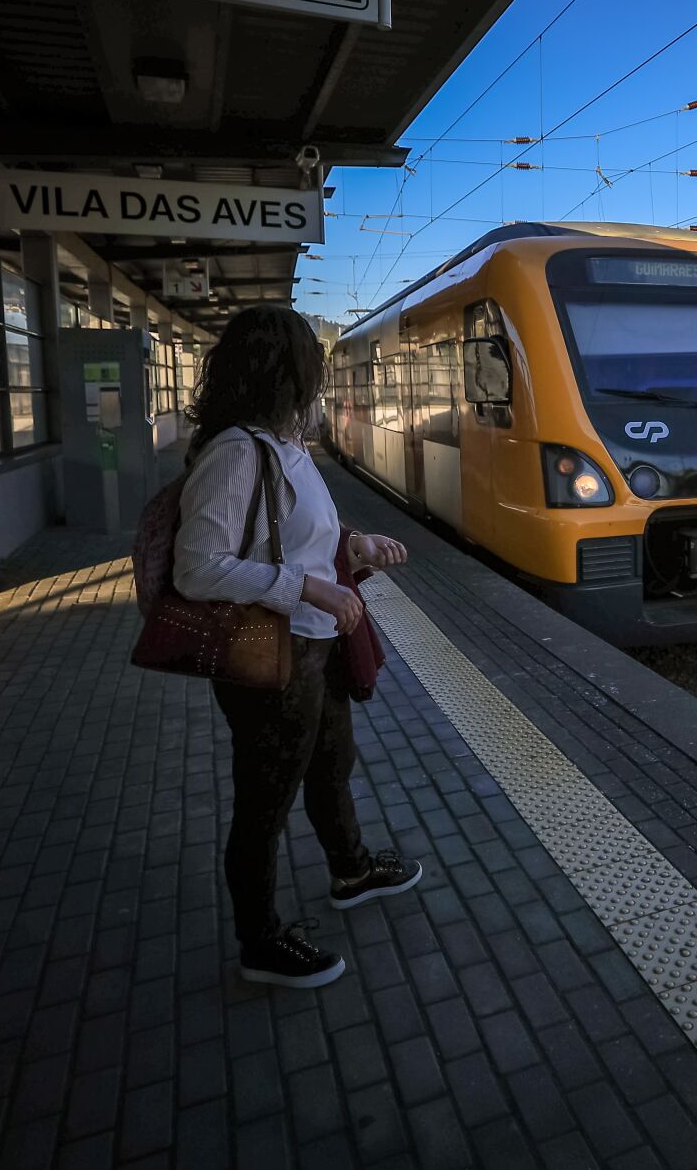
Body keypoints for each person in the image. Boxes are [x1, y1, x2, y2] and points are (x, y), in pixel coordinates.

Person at [173, 304, 421, 989]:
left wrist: (354, 547)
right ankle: (260, 940)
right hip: (272, 655)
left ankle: (351, 868)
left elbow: (294, 535)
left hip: (315, 649)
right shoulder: (234, 453)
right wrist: (309, 590)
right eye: (310, 366)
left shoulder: (280, 445)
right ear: (286, 373)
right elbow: (196, 567)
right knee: (265, 799)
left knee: (331, 761)